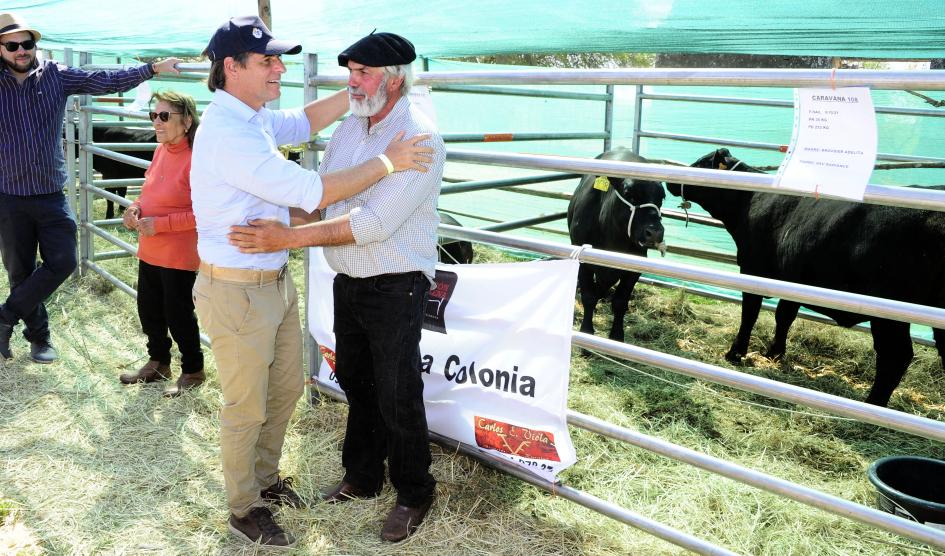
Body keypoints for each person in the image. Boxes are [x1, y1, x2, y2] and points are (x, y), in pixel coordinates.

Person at [191, 16, 433, 549]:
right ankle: (246, 505)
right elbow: (316, 190)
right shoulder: (231, 132)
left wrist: (357, 101)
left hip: (379, 281)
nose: (280, 68)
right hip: (246, 286)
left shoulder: (254, 117)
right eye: (268, 61)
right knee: (257, 403)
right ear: (232, 68)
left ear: (392, 79)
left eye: (361, 71)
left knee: (314, 394)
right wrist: (385, 160)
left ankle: (411, 491)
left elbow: (303, 128)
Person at [0, 12, 181, 364]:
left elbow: (104, 80)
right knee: (20, 272)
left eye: (27, 43)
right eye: (12, 45)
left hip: (50, 192)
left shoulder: (55, 75)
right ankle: (39, 338)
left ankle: (4, 316)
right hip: (8, 195)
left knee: (64, 260)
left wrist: (152, 69)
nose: (21, 50)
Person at [119, 91, 204, 397]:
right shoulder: (161, 151)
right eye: (154, 115)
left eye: (165, 116)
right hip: (151, 248)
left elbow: (204, 211)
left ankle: (193, 370)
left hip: (178, 251)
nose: (157, 121)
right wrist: (135, 208)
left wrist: (162, 224)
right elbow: (148, 191)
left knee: (178, 313)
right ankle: (158, 363)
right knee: (149, 309)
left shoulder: (198, 157)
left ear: (187, 121)